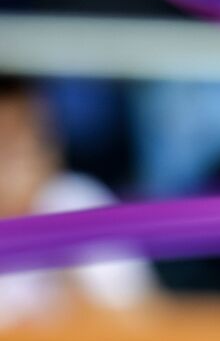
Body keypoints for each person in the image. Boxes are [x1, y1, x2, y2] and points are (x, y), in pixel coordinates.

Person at [0, 73, 159, 325]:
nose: (12, 159)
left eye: (18, 139)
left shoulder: (77, 201)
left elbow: (137, 321)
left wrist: (49, 240)